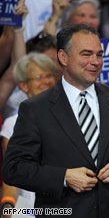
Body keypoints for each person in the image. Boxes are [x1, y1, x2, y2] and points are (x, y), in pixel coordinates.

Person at [2, 24, 109, 218]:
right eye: (86, 54)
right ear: (63, 57)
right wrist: (64, 177)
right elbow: (13, 168)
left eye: (99, 55)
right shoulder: (35, 109)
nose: (95, 61)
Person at [0, 53, 56, 215]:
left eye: (49, 75)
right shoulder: (13, 124)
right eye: (39, 77)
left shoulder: (70, 116)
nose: (46, 81)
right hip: (30, 208)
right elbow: (12, 173)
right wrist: (8, 207)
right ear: (24, 86)